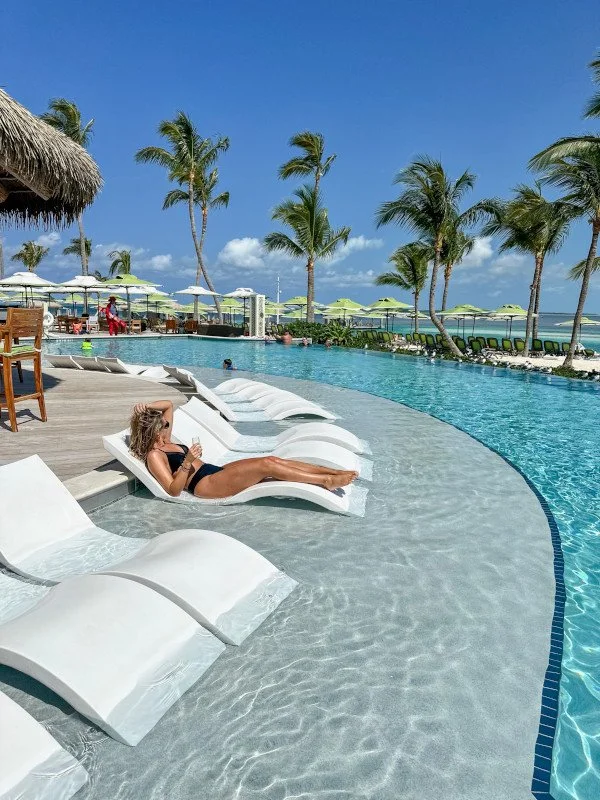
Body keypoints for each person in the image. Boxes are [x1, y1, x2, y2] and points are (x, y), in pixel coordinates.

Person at [130, 400, 357, 499]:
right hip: (204, 484)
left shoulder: (164, 439)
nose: (167, 428)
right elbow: (173, 490)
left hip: (213, 470)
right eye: (163, 427)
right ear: (153, 432)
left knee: (273, 460)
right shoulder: (155, 455)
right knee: (266, 466)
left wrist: (146, 407)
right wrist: (187, 461)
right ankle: (324, 481)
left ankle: (330, 473)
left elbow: (168, 404)